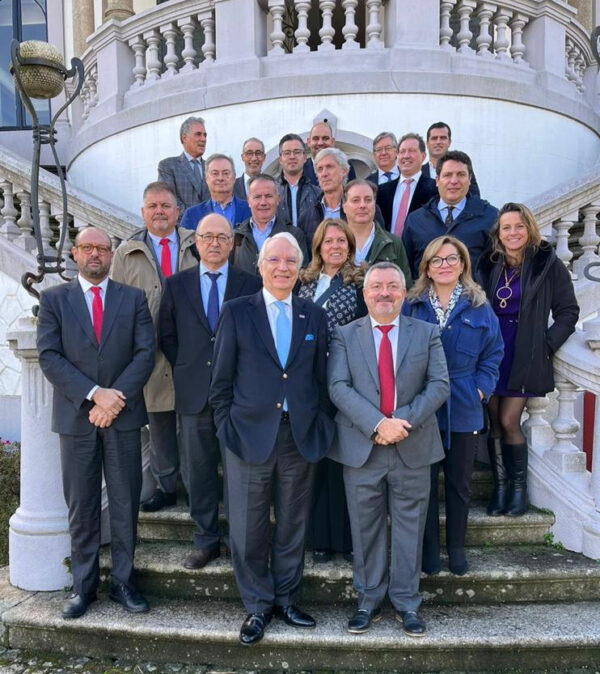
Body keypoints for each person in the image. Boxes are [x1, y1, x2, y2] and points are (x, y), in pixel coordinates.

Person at [209, 233, 335, 646]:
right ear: (260, 265)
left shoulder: (314, 315)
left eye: (290, 261)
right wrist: (227, 426)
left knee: (293, 524)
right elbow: (220, 382)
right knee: (248, 528)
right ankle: (258, 605)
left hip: (298, 437)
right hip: (247, 436)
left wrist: (319, 424)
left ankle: (285, 598)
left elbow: (321, 380)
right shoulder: (237, 311)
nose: (283, 268)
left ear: (300, 269)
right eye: (275, 260)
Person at [36, 227, 155, 620]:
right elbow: (49, 356)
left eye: (102, 248)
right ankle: (83, 587)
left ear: (111, 255)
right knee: (82, 506)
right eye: (87, 247)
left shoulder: (133, 299)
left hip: (122, 417)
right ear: (74, 253)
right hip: (77, 419)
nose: (95, 254)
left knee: (124, 504)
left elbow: (145, 353)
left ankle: (123, 583)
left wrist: (113, 398)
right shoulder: (54, 299)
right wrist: (94, 394)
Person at [328, 261, 449, 637]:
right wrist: (378, 424)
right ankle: (368, 599)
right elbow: (338, 386)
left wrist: (400, 423)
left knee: (410, 527)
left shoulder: (426, 332)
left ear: (404, 292)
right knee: (365, 527)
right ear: (365, 294)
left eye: (392, 286)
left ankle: (407, 602)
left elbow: (439, 384)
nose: (384, 293)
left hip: (413, 444)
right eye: (376, 286)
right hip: (362, 447)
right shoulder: (344, 335)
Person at [158, 213, 261, 570]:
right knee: (198, 470)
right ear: (196, 243)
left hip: (239, 394)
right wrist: (191, 368)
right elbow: (167, 336)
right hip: (194, 394)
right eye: (207, 237)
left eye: (222, 237)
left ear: (232, 244)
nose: (214, 243)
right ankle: (206, 539)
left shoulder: (251, 284)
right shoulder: (176, 285)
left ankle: (238, 540)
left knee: (239, 471)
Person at [403, 236, 503, 576]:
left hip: (463, 403)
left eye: (451, 259)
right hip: (423, 407)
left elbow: (494, 352)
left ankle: (457, 549)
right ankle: (429, 551)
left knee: (460, 484)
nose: (444, 265)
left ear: (462, 265)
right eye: (437, 260)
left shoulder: (479, 306)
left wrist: (481, 390)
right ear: (427, 268)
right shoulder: (412, 305)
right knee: (425, 484)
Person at [477, 203, 579, 517]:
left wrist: (546, 345)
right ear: (498, 233)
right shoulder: (489, 263)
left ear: (529, 228)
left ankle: (518, 490)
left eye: (519, 226)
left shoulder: (547, 263)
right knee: (494, 421)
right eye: (506, 227)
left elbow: (568, 311)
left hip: (524, 351)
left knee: (510, 421)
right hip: (492, 350)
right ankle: (501, 488)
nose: (513, 233)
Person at [111, 182, 198, 512]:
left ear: (178, 211)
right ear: (143, 212)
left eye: (165, 205)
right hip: (150, 353)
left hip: (192, 351)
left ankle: (198, 488)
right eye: (153, 206)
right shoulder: (127, 253)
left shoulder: (197, 244)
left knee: (195, 426)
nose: (159, 211)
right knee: (159, 424)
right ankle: (166, 487)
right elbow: (118, 306)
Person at [297, 218, 366, 563]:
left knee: (344, 462)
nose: (335, 246)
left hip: (345, 380)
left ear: (350, 246)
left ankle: (346, 539)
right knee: (316, 461)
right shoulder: (303, 282)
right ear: (318, 247)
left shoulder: (360, 283)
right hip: (308, 382)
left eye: (341, 241)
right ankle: (319, 539)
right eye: (329, 241)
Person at [403, 150, 497, 279]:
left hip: (473, 292)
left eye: (461, 174)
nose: (454, 181)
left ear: (469, 179)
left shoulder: (490, 217)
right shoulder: (416, 220)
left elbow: (497, 268)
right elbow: (406, 269)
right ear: (437, 180)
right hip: (425, 292)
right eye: (447, 175)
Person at [233, 173, 308, 275]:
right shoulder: (236, 236)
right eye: (257, 197)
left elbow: (301, 275)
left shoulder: (294, 235)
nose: (263, 202)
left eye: (268, 196)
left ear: (278, 199)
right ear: (249, 201)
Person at [342, 179, 412, 285]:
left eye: (368, 200)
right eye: (356, 200)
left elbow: (405, 287)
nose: (362, 205)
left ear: (374, 204)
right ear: (344, 207)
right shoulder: (333, 243)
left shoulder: (393, 243)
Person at [376, 133, 438, 235]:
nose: (406, 156)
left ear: (423, 156)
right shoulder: (382, 190)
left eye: (412, 151)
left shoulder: (435, 189)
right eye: (402, 151)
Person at [180, 154, 251, 230]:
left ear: (234, 177)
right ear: (206, 178)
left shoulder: (250, 209)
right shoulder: (192, 214)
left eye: (226, 173)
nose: (220, 178)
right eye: (215, 173)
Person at [157, 116, 209, 214]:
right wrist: (193, 217)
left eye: (205, 135)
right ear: (184, 138)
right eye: (198, 134)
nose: (203, 139)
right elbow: (169, 200)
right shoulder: (168, 166)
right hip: (183, 222)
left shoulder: (211, 168)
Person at [422, 122, 480, 197]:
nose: (438, 142)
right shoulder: (418, 173)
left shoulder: (463, 170)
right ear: (427, 143)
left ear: (449, 142)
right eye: (434, 138)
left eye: (443, 138)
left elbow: (475, 198)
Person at [276, 133, 320, 228]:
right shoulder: (271, 192)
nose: (292, 156)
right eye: (287, 153)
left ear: (304, 157)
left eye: (297, 152)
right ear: (280, 159)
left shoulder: (317, 193)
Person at [303, 120, 356, 186]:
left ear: (332, 142)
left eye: (325, 138)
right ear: (309, 142)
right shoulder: (301, 169)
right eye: (316, 138)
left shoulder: (345, 165)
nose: (320, 143)